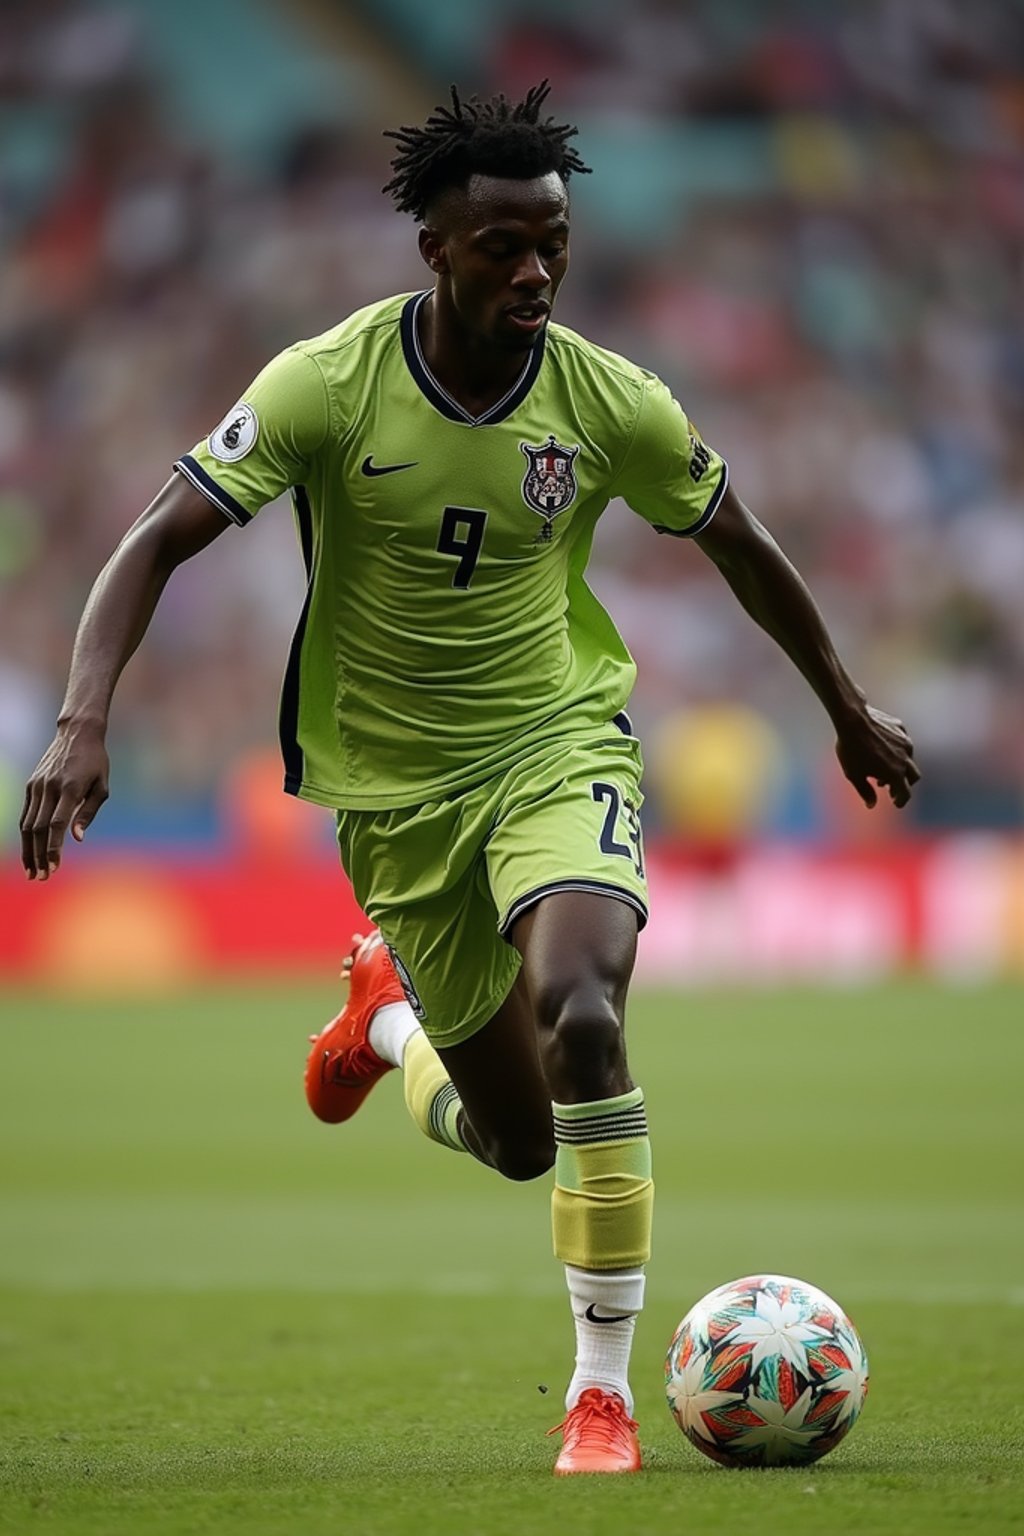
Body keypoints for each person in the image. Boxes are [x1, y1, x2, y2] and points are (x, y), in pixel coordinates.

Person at [19, 81, 919, 1474]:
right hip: (393, 801)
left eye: (552, 239)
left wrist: (848, 707)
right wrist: (85, 717)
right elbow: (153, 536)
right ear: (436, 247)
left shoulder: (608, 399)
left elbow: (738, 538)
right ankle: (384, 1024)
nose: (536, 268)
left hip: (557, 746)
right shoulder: (326, 383)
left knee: (585, 1017)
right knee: (518, 1142)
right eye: (503, 243)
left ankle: (601, 1397)